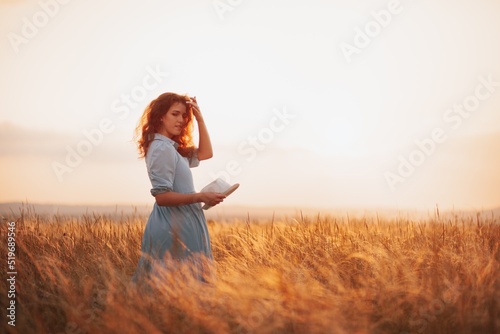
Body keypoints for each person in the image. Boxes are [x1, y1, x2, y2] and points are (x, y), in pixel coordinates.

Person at [132, 92, 225, 284]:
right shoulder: (161, 149)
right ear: (160, 116)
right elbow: (162, 197)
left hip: (184, 225)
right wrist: (200, 197)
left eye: (184, 116)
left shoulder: (171, 148)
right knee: (172, 289)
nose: (181, 120)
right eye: (175, 114)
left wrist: (200, 119)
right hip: (172, 227)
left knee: (188, 291)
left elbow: (206, 153)